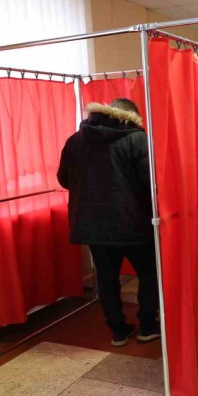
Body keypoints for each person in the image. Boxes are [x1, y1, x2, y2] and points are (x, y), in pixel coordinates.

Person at [57, 98, 161, 347]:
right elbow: (150, 184)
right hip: (132, 222)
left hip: (93, 225)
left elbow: (64, 180)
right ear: (132, 116)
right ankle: (147, 326)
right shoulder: (137, 139)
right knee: (149, 272)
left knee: (106, 278)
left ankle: (118, 331)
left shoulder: (75, 140)